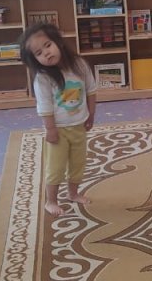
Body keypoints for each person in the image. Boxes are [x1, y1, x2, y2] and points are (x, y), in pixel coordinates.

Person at [20, 22, 98, 217]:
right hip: (58, 130)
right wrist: (51, 129)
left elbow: (91, 90)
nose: (46, 53)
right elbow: (44, 106)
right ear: (35, 60)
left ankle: (73, 193)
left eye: (48, 45)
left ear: (58, 42)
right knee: (56, 167)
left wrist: (91, 115)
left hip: (79, 125)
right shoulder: (43, 78)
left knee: (78, 163)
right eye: (39, 53)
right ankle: (51, 201)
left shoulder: (79, 64)